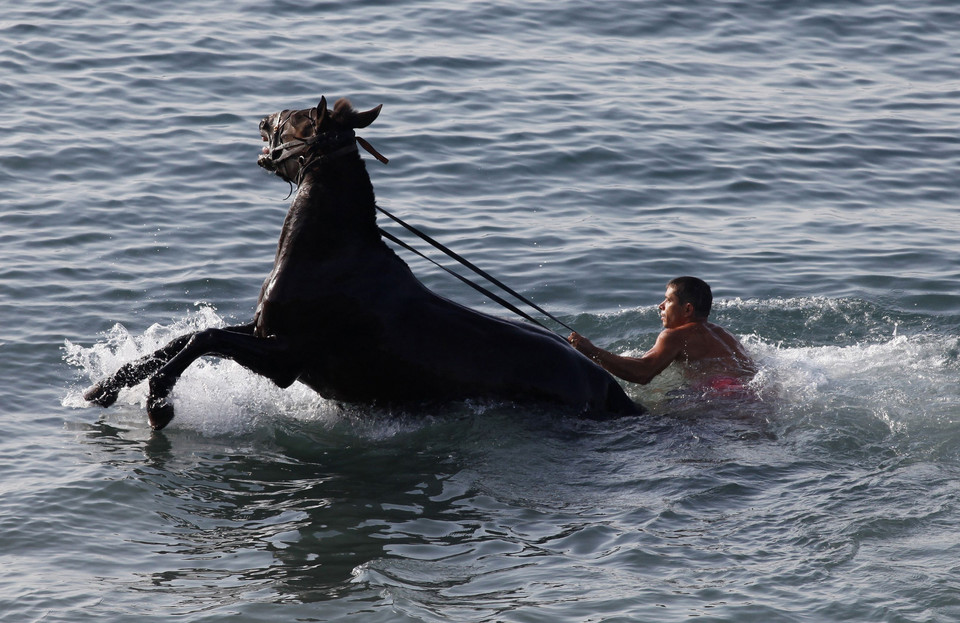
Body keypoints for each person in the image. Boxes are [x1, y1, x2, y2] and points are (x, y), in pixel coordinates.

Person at [567, 276, 756, 394]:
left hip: (720, 397)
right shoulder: (722, 333)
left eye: (668, 300)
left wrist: (592, 351)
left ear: (687, 308)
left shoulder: (674, 335)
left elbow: (643, 373)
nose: (661, 305)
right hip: (750, 393)